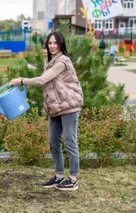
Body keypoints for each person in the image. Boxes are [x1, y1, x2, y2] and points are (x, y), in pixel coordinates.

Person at [10, 31, 83, 191]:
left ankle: (73, 179)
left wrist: (21, 81)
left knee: (70, 141)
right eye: (50, 43)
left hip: (69, 105)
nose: (52, 46)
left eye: (55, 43)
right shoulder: (49, 61)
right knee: (53, 142)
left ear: (61, 44)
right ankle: (59, 176)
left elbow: (43, 80)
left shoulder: (62, 61)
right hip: (55, 107)